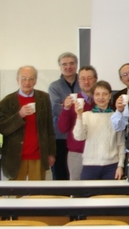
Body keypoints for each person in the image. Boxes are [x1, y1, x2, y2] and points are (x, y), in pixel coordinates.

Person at [0, 66, 56, 180]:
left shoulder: (44, 98)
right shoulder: (7, 101)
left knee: (38, 195)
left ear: (35, 81)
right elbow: (3, 128)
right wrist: (20, 115)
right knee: (15, 194)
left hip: (38, 156)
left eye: (31, 79)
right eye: (23, 78)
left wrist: (51, 153)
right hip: (15, 158)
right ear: (17, 80)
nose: (27, 82)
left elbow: (49, 127)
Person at [73, 81, 125, 180]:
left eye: (105, 94)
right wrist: (79, 115)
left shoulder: (116, 117)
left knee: (110, 195)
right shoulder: (86, 115)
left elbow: (121, 143)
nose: (101, 97)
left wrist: (120, 166)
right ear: (93, 96)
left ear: (110, 96)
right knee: (87, 195)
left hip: (111, 166)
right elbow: (79, 137)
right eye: (97, 94)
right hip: (90, 166)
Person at [57, 66, 98, 180]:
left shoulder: (102, 100)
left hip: (98, 154)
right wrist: (66, 109)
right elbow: (62, 128)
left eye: (89, 78)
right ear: (78, 81)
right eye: (82, 78)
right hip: (77, 154)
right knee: (76, 190)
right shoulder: (72, 101)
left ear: (95, 79)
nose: (86, 82)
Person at [48, 52, 80, 180]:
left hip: (80, 137)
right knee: (60, 174)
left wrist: (66, 107)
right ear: (60, 67)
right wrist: (75, 109)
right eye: (64, 64)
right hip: (60, 138)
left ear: (76, 65)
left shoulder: (84, 82)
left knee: (79, 175)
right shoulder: (54, 86)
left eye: (71, 63)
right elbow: (55, 109)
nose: (68, 67)